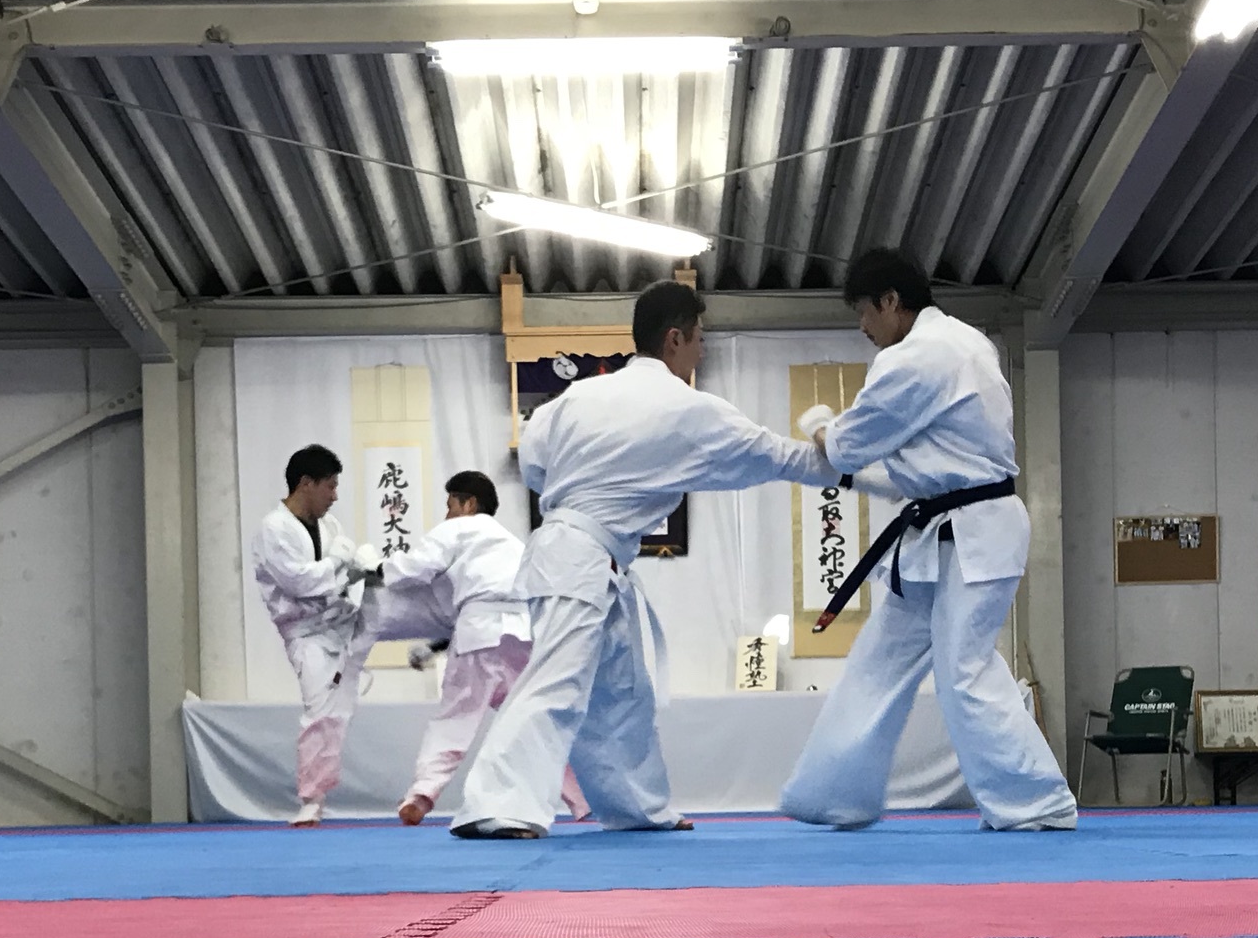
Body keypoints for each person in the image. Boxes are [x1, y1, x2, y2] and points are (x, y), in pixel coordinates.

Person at [453, 279, 828, 839]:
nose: (702, 350)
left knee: (622, 694)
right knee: (556, 682)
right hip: (579, 559)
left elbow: (533, 466)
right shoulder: (688, 408)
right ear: (675, 338)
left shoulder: (573, 397)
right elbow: (775, 456)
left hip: (582, 556)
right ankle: (496, 805)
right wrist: (839, 454)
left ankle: (637, 806)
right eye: (700, 338)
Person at [782, 248, 1077, 832]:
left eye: (864, 312)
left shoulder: (915, 358)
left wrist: (818, 427)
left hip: (973, 532)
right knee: (879, 658)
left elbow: (846, 446)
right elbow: (916, 471)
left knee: (963, 669)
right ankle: (834, 793)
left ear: (891, 302)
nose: (863, 327)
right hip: (940, 532)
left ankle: (1037, 803)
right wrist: (845, 467)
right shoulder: (968, 343)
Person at [378, 469, 590, 827]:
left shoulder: (458, 529)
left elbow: (409, 571)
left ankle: (420, 795)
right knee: (532, 722)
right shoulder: (514, 542)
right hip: (522, 635)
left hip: (478, 633)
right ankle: (581, 800)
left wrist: (376, 568)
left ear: (468, 504)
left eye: (450, 505)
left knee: (454, 720)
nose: (447, 513)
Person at [249, 443, 380, 826]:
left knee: (339, 713)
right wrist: (339, 561)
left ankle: (435, 639)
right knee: (321, 711)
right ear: (306, 483)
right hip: (306, 633)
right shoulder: (273, 528)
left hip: (344, 620)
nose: (335, 496)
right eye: (330, 486)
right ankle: (311, 799)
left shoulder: (330, 527)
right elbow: (300, 582)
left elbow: (344, 570)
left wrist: (356, 567)